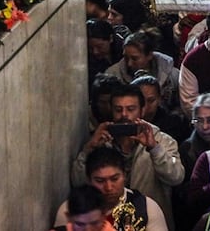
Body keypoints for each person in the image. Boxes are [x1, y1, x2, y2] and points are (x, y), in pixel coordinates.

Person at [71, 84, 185, 226]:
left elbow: (176, 177)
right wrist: (89, 149)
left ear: (142, 110)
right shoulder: (101, 141)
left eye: (131, 109)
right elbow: (78, 182)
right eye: (118, 110)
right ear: (111, 111)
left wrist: (154, 148)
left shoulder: (163, 141)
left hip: (149, 220)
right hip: (107, 222)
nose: (124, 115)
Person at [56, 148, 169, 231]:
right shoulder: (72, 208)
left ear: (124, 176)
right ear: (89, 180)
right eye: (100, 181)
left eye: (114, 179)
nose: (108, 187)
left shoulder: (146, 207)